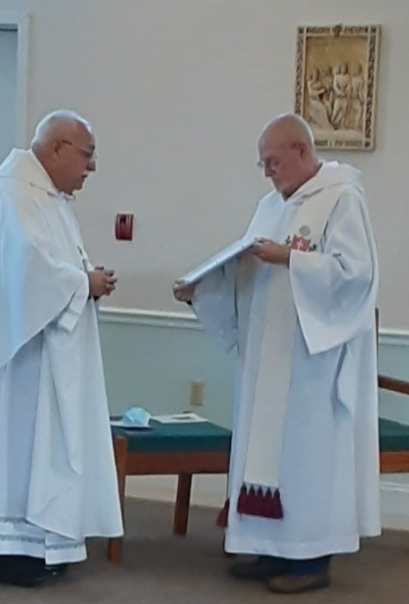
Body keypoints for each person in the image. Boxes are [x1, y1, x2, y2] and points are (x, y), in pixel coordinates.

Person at [173, 114, 380, 594]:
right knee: (265, 455)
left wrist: (291, 258)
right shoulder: (271, 205)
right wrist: (204, 290)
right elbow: (248, 266)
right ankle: (270, 551)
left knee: (306, 460)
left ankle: (310, 563)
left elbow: (357, 275)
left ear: (301, 152)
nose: (267, 171)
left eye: (272, 161)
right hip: (266, 359)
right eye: (263, 163)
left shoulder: (342, 198)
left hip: (312, 363)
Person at [0, 110, 123, 587]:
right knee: (15, 452)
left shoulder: (48, 198)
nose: (91, 168)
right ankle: (2, 552)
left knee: (40, 449)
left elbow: (49, 267)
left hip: (40, 359)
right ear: (56, 147)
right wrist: (84, 283)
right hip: (13, 365)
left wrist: (83, 279)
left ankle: (37, 546)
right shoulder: (13, 193)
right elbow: (28, 274)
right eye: (87, 155)